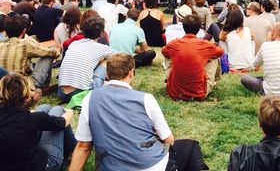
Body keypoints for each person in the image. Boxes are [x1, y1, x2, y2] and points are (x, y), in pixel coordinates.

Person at [69, 53, 208, 170]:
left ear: (107, 74)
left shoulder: (89, 98)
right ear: (131, 73)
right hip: (152, 165)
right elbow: (168, 139)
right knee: (190, 146)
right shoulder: (146, 99)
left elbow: (83, 146)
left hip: (111, 167)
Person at [0, 73, 76, 171]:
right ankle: (72, 152)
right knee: (58, 110)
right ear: (25, 94)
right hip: (43, 166)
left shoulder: (29, 118)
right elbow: (64, 121)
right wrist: (69, 111)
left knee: (44, 107)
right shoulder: (33, 119)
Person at [162, 15, 224, 101]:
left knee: (168, 55)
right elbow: (220, 52)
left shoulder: (174, 44)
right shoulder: (204, 44)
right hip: (199, 93)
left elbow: (164, 51)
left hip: (175, 92)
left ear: (183, 27)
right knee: (214, 58)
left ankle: (168, 79)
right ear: (199, 29)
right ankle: (213, 81)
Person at [58, 16, 116, 104]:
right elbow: (120, 57)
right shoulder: (101, 48)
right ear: (101, 34)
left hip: (61, 93)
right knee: (106, 61)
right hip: (81, 94)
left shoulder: (74, 44)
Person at [0, 15, 59, 95]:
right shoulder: (25, 43)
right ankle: (44, 87)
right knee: (48, 55)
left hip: (4, 84)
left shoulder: (1, 44)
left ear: (6, 31)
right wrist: (57, 51)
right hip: (22, 84)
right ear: (24, 31)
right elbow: (49, 52)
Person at [241, 22, 280, 97]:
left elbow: (256, 64)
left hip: (269, 92)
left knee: (245, 78)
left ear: (274, 33)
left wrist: (268, 40)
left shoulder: (266, 46)